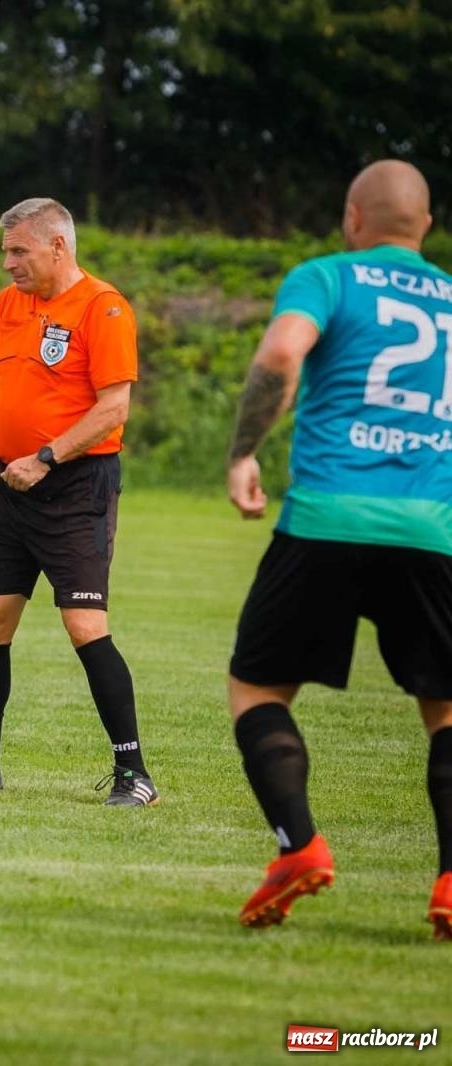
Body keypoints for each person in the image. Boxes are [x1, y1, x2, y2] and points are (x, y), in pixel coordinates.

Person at [223, 159, 452, 936]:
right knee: (446, 708)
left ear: (353, 216)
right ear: (426, 224)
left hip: (325, 517)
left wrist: (243, 450)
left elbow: (283, 355)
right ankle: (451, 880)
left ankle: (299, 845)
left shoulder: (329, 275)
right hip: (431, 526)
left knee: (257, 690)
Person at [0, 197, 157, 806]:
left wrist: (46, 458)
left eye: (19, 250)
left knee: (84, 625)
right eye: (5, 250)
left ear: (57, 246)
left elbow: (114, 408)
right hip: (12, 485)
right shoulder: (10, 304)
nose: (7, 262)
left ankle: (134, 774)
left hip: (75, 487)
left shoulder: (104, 307)